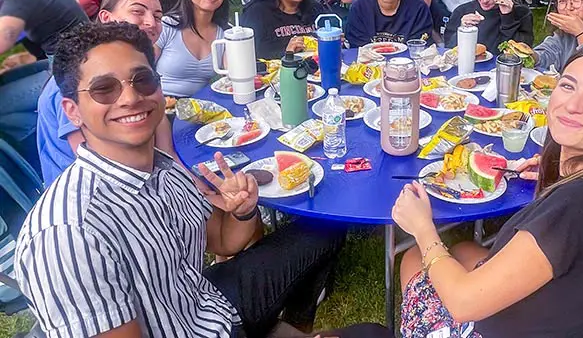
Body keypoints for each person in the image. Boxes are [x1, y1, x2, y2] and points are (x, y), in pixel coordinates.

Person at [17, 20, 348, 337]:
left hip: (209, 305)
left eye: (142, 80)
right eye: (104, 89)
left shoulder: (164, 168)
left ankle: (291, 324)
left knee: (325, 228)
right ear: (72, 110)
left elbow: (221, 241)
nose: (130, 98)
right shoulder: (69, 233)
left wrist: (241, 210)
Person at [394, 40, 583, 337]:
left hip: (487, 326)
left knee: (413, 257)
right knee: (461, 249)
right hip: (574, 320)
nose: (572, 105)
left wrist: (422, 228)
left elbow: (463, 303)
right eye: (568, 85)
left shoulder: (579, 204)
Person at [35, 0, 170, 186]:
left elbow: (158, 121)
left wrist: (177, 173)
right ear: (106, 17)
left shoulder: (137, 63)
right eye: (137, 11)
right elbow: (98, 164)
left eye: (158, 17)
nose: (151, 22)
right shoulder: (78, 77)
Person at [155, 0, 229, 98]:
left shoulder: (224, 34)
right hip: (161, 104)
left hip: (199, 109)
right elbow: (142, 70)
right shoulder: (167, 26)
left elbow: (234, 76)